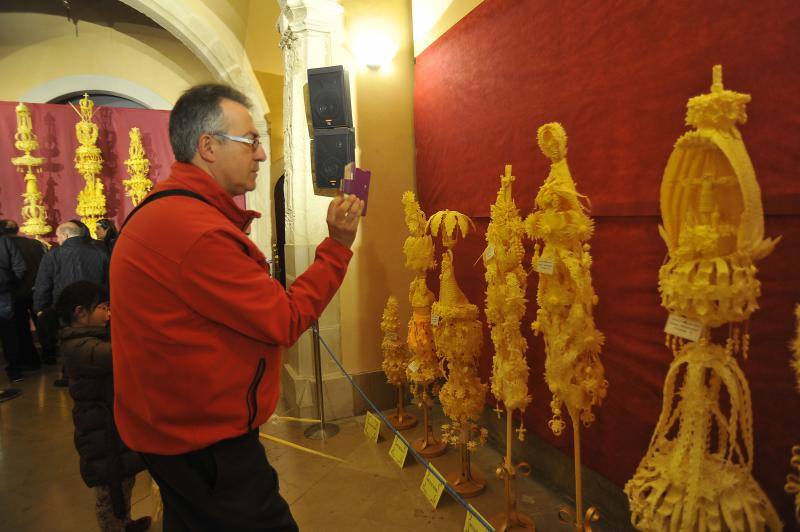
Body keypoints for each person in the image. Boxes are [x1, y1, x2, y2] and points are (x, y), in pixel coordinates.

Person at [111, 83, 363, 530]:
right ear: (207, 146)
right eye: (251, 141)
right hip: (202, 442)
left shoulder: (167, 212)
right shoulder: (196, 231)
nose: (262, 155)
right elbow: (283, 320)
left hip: (168, 429)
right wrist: (338, 247)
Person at [54, 280, 151, 532]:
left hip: (110, 425)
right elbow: (120, 355)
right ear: (80, 312)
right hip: (100, 431)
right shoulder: (79, 347)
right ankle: (114, 527)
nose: (109, 314)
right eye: (103, 308)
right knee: (110, 491)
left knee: (123, 481)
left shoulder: (92, 337)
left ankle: (126, 522)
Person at [34, 221, 109, 386]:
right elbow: (107, 281)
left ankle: (69, 375)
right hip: (94, 304)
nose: (58, 239)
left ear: (65, 235)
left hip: (65, 306)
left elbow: (43, 284)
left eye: (59, 236)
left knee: (68, 341)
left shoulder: (53, 255)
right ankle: (96, 373)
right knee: (95, 339)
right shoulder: (99, 252)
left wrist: (40, 308)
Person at [2, 219, 48, 371]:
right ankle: (49, 355)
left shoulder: (5, 244)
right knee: (42, 324)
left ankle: (28, 359)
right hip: (36, 289)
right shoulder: (35, 244)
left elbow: (17, 268)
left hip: (15, 292)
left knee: (20, 328)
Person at [0, 222, 26, 382]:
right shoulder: (5, 241)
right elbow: (20, 266)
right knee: (9, 332)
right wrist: (11, 283)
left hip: (4, 291)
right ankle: (15, 370)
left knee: (9, 332)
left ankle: (15, 368)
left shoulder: (4, 241)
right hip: (4, 291)